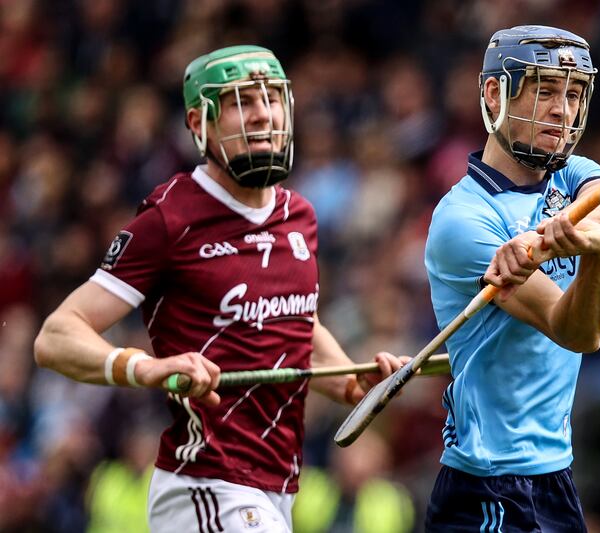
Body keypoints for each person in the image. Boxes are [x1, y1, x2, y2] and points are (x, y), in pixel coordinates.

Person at [33, 45, 405, 533]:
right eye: (240, 103)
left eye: (272, 99)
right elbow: (55, 337)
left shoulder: (299, 216)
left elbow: (296, 324)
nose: (262, 115)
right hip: (204, 484)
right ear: (198, 122)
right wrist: (144, 367)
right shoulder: (170, 219)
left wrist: (351, 383)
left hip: (277, 486)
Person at [423, 26, 600, 532]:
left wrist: (542, 240)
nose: (563, 110)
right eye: (545, 91)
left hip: (553, 475)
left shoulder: (568, 175)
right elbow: (577, 331)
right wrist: (591, 245)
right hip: (490, 486)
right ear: (496, 95)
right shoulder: (464, 220)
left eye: (573, 93)